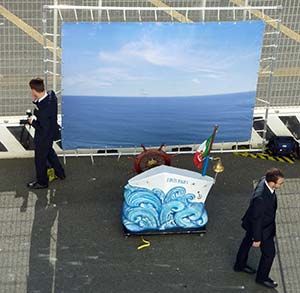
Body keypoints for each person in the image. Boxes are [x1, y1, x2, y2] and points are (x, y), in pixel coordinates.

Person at [234, 168, 284, 289]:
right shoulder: (261, 199)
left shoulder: (263, 180)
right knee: (269, 254)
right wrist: (257, 238)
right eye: (280, 183)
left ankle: (240, 265)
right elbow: (258, 220)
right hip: (262, 229)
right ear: (272, 183)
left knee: (246, 242)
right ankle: (262, 277)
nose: (281, 185)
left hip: (252, 223)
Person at [27, 78, 65, 189]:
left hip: (43, 137)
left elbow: (42, 127)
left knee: (40, 160)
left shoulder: (43, 110)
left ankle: (42, 182)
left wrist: (32, 121)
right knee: (50, 154)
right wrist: (35, 100)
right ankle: (60, 173)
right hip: (51, 134)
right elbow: (42, 105)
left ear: (34, 90)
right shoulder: (51, 96)